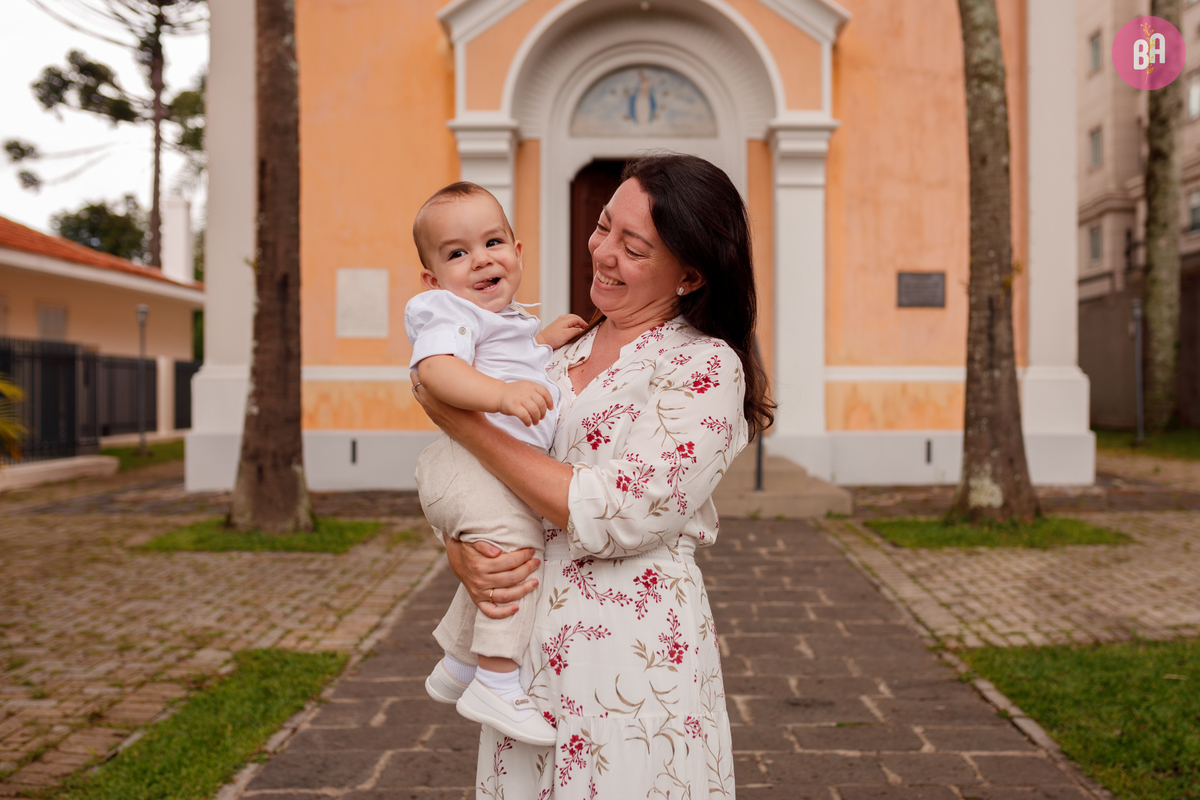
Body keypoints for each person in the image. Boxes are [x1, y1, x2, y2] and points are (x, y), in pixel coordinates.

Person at [412, 154, 774, 797]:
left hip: (629, 660)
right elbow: (487, 481)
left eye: (632, 246)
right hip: (522, 655)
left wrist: (467, 423)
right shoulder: (559, 349)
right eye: (604, 226)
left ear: (689, 275)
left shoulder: (705, 369)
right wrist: (464, 549)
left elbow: (617, 513)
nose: (602, 252)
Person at [406, 181, 586, 745]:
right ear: (433, 281)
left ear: (519, 251)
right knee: (519, 557)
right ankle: (498, 682)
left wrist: (544, 342)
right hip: (466, 463)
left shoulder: (501, 320)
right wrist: (500, 396)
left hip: (480, 468)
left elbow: (510, 354)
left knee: (494, 564)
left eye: (493, 241)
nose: (481, 258)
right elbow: (436, 373)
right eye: (457, 253)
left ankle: (459, 665)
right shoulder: (447, 314)